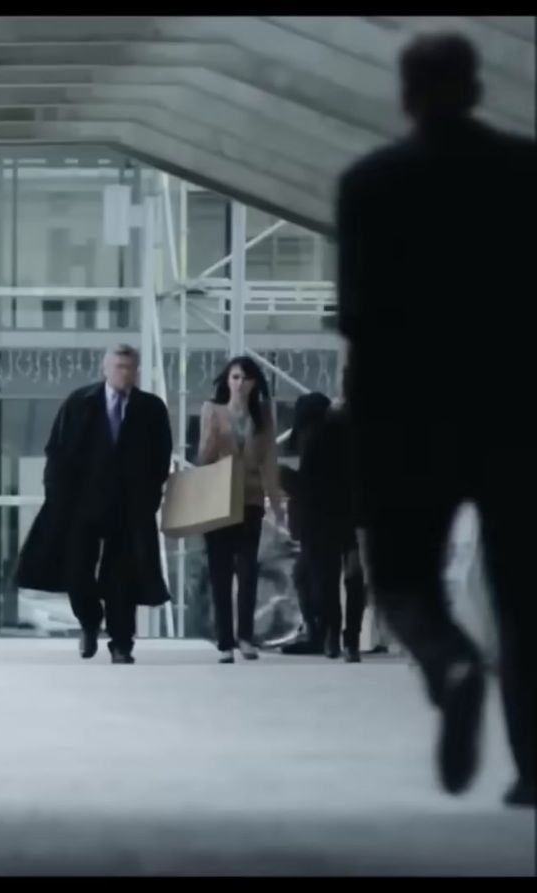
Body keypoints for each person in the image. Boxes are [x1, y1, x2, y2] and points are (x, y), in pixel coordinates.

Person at [336, 31, 533, 807]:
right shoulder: (528, 175)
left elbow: (360, 317)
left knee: (405, 580)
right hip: (519, 413)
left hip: (411, 416)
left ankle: (449, 663)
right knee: (525, 594)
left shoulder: (373, 184)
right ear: (476, 87)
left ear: (408, 94)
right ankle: (533, 766)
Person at [17, 344, 173, 665]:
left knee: (123, 576)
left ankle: (121, 643)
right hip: (81, 503)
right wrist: (56, 496)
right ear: (105, 369)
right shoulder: (80, 403)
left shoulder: (151, 408)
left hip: (129, 507)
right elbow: (57, 452)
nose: (124, 373)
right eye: (118, 367)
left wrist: (149, 497)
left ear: (137, 370)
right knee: (77, 570)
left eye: (130, 368)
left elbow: (160, 457)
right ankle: (90, 621)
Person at [198, 356, 285, 664]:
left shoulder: (262, 414)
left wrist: (276, 503)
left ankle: (246, 637)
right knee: (220, 573)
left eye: (246, 378)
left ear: (253, 383)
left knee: (248, 570)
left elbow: (269, 460)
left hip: (249, 498)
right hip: (217, 498)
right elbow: (203, 458)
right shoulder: (212, 410)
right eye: (235, 377)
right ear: (227, 381)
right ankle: (225, 642)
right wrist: (212, 438)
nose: (240, 384)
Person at [284, 392, 366, 663]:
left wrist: (283, 477)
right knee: (354, 580)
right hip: (354, 519)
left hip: (324, 521)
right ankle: (350, 640)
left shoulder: (315, 438)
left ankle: (333, 635)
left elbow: (308, 485)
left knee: (326, 582)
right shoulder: (353, 435)